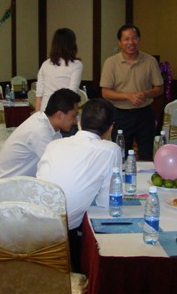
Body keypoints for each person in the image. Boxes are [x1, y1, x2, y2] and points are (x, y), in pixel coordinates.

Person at [36, 98, 121, 271]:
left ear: (80, 121)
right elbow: (107, 202)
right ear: (111, 127)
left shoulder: (54, 144)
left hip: (32, 218)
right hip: (62, 232)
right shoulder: (111, 149)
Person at [100, 24, 164, 161]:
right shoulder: (111, 63)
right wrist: (127, 96)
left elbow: (159, 88)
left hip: (145, 115)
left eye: (134, 38)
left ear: (139, 40)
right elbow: (105, 92)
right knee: (120, 156)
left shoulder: (150, 61)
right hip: (120, 115)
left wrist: (145, 94)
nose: (131, 42)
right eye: (126, 39)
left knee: (147, 157)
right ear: (119, 42)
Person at [0, 88, 81, 181]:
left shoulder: (50, 125)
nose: (76, 120)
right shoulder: (40, 130)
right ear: (59, 115)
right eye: (74, 116)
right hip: (6, 185)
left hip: (20, 182)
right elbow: (56, 166)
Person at [35, 27, 83, 112]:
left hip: (45, 111)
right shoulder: (76, 65)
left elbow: (39, 96)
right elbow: (72, 93)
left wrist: (38, 115)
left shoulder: (45, 64)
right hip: (64, 112)